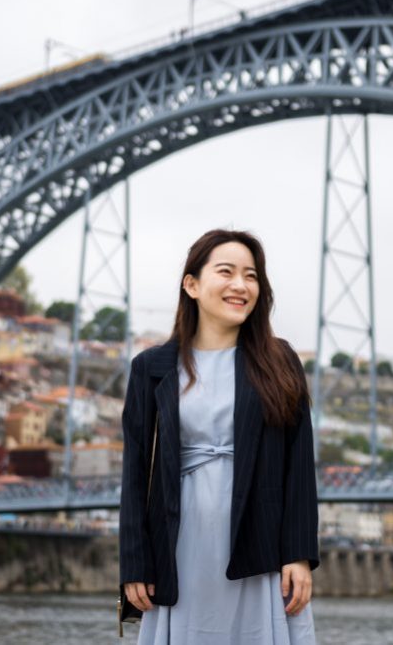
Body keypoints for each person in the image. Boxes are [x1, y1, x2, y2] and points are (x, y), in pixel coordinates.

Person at [120, 228, 319, 643]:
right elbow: (135, 473)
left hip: (258, 542)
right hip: (179, 544)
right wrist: (134, 564)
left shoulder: (279, 361)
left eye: (251, 276)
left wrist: (299, 555)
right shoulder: (152, 367)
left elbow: (298, 468)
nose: (240, 285)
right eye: (226, 272)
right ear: (191, 284)